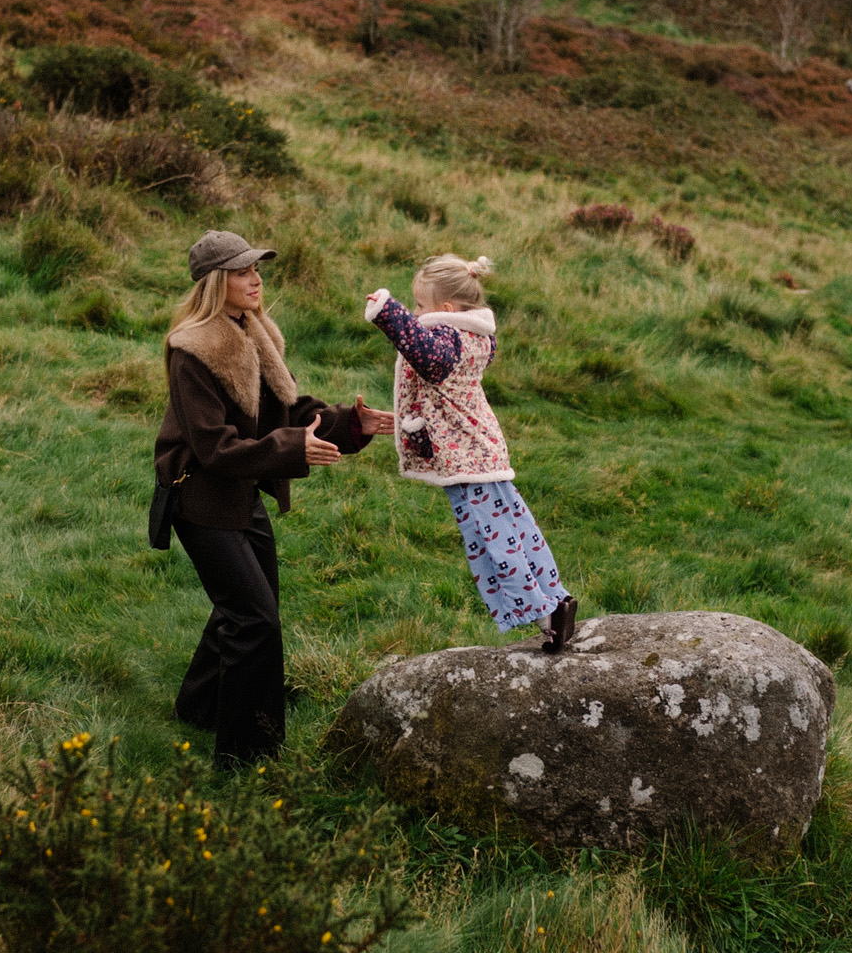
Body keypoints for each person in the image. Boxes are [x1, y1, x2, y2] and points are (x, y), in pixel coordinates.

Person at [155, 230, 393, 768]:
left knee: (248, 608)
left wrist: (351, 425)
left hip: (238, 492)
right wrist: (292, 448)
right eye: (243, 272)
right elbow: (214, 447)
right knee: (253, 621)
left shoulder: (253, 331)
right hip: (200, 497)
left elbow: (289, 409)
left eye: (257, 269)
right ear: (217, 283)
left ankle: (198, 708)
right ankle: (246, 754)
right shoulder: (192, 350)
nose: (256, 279)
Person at [363, 253, 577, 652]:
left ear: (446, 310)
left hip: (465, 460)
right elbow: (440, 390)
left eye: (420, 306)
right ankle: (556, 596)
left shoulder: (450, 342)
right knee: (516, 527)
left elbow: (426, 356)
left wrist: (388, 312)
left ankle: (545, 614)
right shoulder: (474, 337)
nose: (415, 313)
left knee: (491, 540)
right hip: (482, 452)